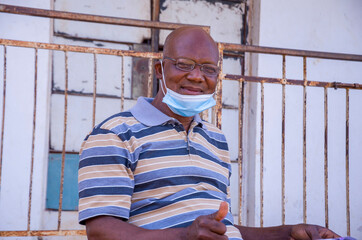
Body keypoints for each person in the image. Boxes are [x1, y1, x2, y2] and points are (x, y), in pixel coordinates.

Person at [78, 26, 340, 240]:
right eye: (184, 64)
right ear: (160, 70)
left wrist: (288, 232)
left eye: (208, 68)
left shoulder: (216, 140)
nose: (196, 76)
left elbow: (220, 229)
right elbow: (101, 232)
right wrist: (184, 236)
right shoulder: (115, 134)